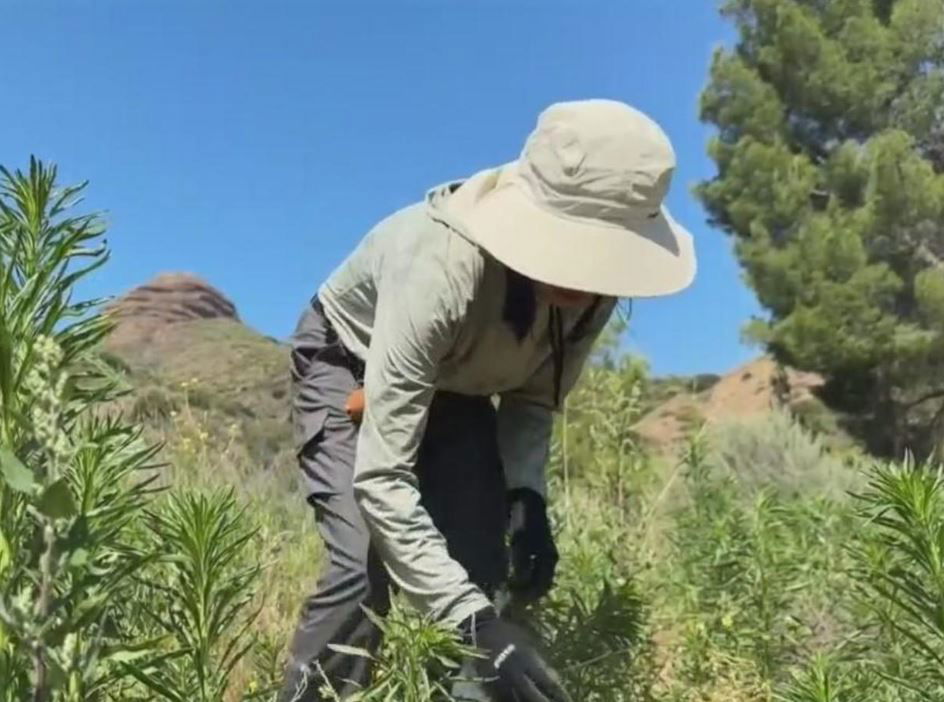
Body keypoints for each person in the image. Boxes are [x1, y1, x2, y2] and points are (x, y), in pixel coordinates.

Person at [279, 99, 696, 702]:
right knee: (363, 565)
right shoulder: (440, 263)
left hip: (459, 384)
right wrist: (474, 625)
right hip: (349, 360)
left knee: (482, 566)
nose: (585, 280)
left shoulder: (593, 295)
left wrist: (527, 496)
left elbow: (532, 397)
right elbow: (382, 478)